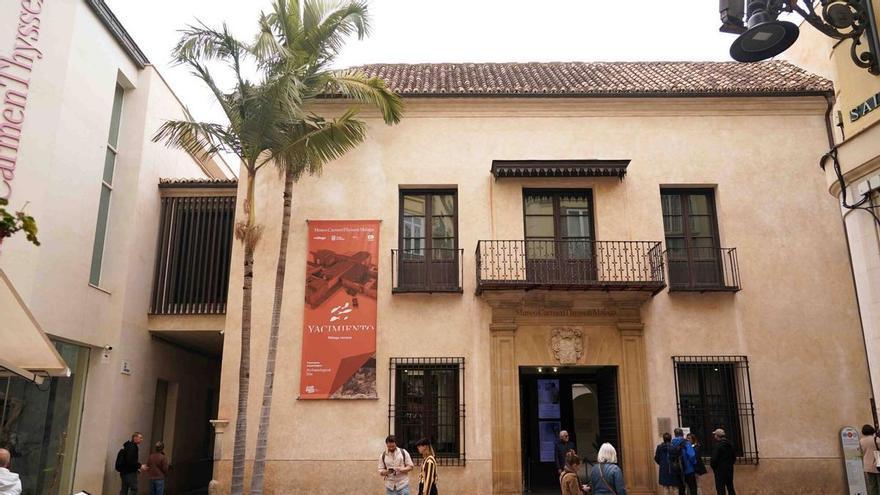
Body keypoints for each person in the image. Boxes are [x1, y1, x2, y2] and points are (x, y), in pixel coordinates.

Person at [709, 429, 736, 495]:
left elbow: (714, 459)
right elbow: (734, 457)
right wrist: (730, 464)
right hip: (729, 469)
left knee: (720, 488)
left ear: (717, 436)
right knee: (730, 487)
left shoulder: (717, 445)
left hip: (719, 470)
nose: (714, 436)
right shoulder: (730, 444)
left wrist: (714, 467)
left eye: (715, 435)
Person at [670, 428, 697, 495]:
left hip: (677, 470)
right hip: (688, 469)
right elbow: (692, 455)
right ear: (682, 434)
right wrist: (694, 463)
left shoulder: (671, 444)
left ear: (675, 434)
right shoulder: (686, 443)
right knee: (692, 487)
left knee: (681, 488)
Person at [860, 424, 880, 495]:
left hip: (868, 466)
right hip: (877, 464)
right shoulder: (876, 439)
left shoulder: (861, 441)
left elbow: (861, 452)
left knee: (872, 485)